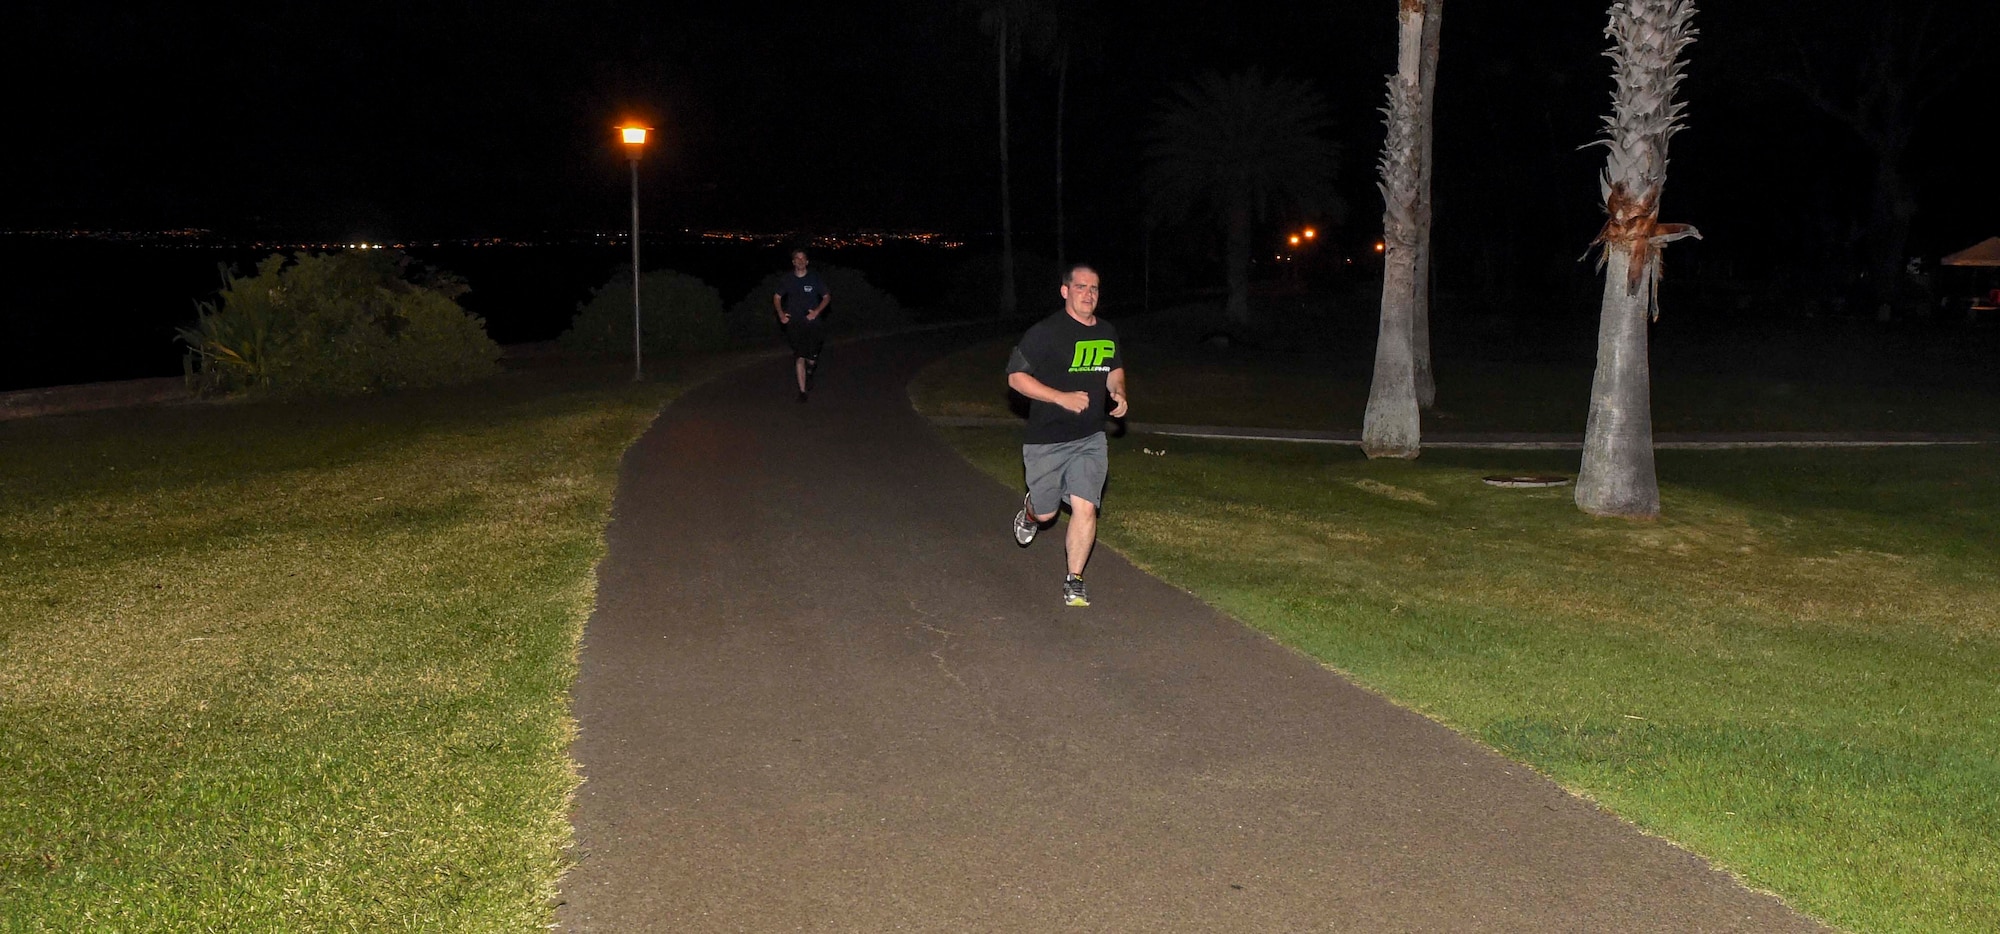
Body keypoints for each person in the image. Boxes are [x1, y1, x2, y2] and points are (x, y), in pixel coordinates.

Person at [1006, 264, 1126, 607]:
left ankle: (1075, 579)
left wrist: (1118, 392)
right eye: (1081, 287)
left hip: (1090, 438)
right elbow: (1016, 378)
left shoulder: (1106, 331)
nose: (1089, 294)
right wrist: (1060, 397)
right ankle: (1031, 511)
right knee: (1047, 516)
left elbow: (1114, 368)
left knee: (1086, 507)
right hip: (1046, 439)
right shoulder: (1046, 332)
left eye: (1095, 288)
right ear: (1065, 291)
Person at [772, 247, 831, 402]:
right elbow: (777, 297)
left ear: (807, 261)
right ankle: (802, 392)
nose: (800, 261)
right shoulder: (787, 279)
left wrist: (817, 311)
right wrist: (780, 314)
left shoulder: (814, 278)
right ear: (793, 262)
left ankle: (810, 371)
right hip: (795, 324)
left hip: (813, 324)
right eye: (797, 258)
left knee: (811, 358)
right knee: (799, 356)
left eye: (802, 258)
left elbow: (826, 297)